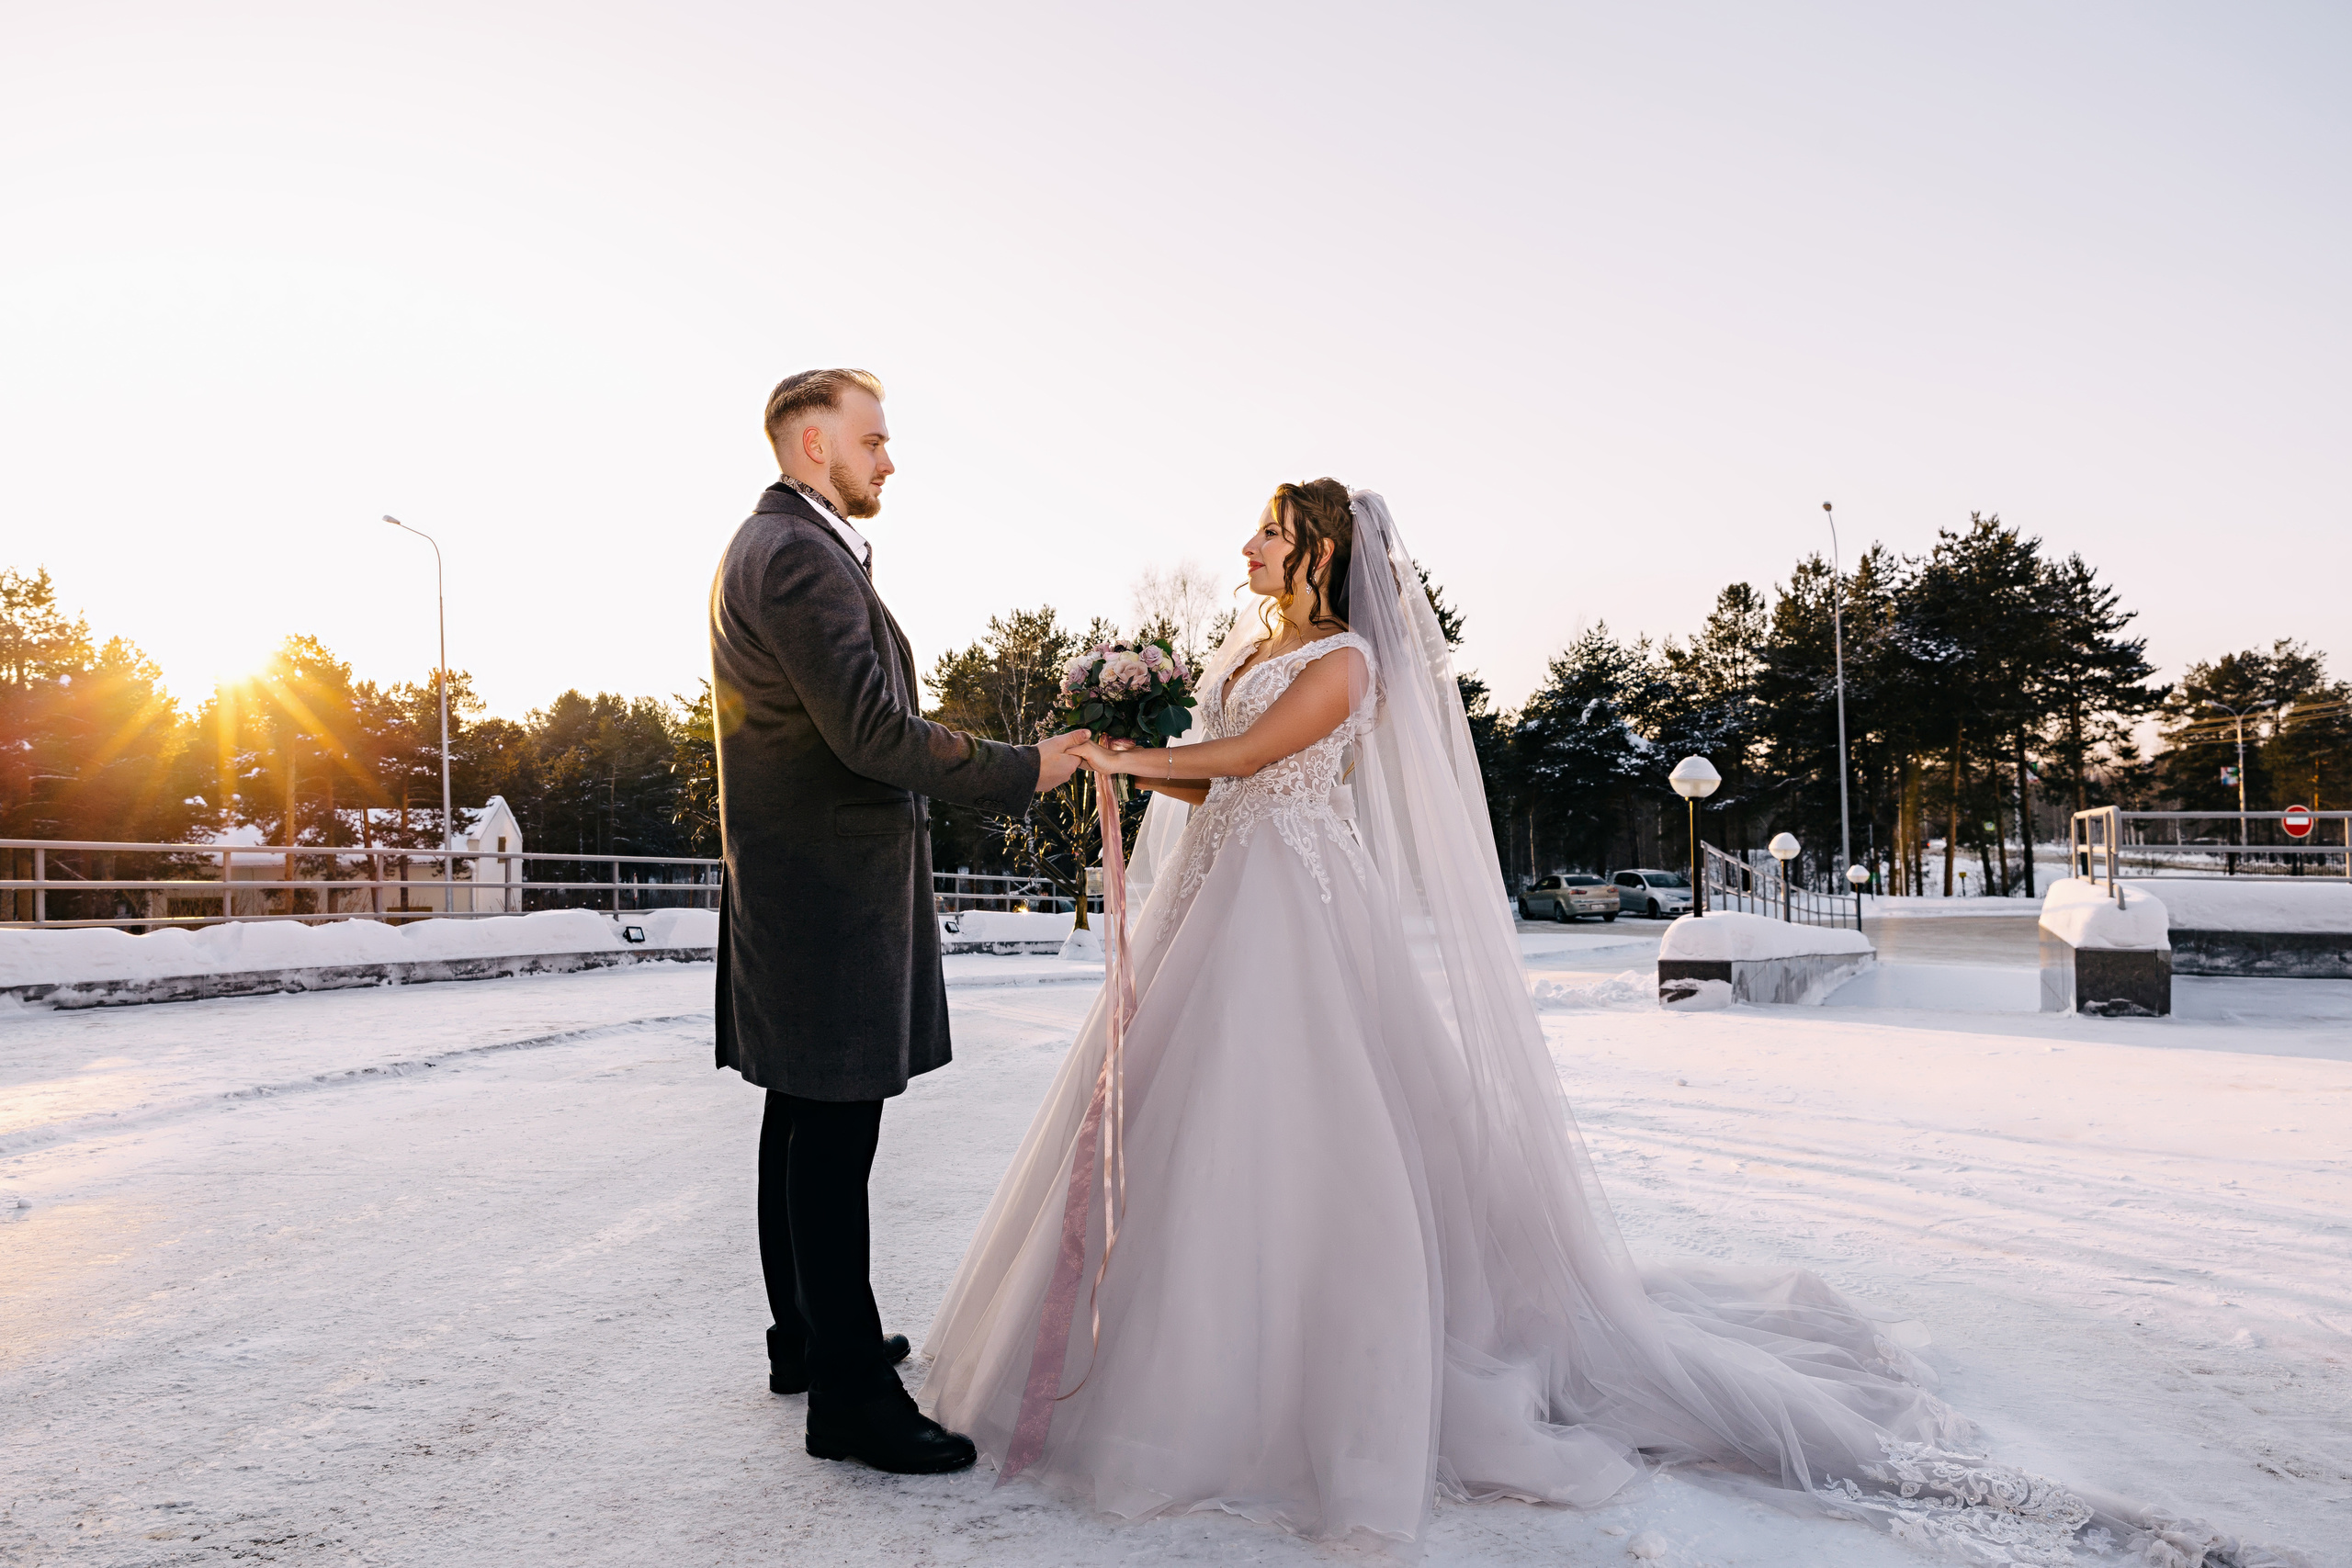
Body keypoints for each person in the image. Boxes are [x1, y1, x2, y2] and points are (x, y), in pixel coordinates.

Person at [919, 481, 2295, 1563]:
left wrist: (1129, 750)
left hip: (1299, 910)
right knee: (1187, 1124)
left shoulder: (1344, 661)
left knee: (1302, 1121)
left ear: (1320, 549)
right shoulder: (1246, 647)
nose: (1248, 546)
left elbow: (1248, 758)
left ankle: (1307, 1373)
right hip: (1221, 898)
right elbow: (1210, 783)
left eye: (1270, 530)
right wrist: (1126, 758)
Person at [708, 368, 1091, 1474]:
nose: (888, 458)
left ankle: (808, 1340)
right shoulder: (793, 554)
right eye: (872, 439)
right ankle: (850, 1401)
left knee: (800, 1114)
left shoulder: (786, 544)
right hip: (827, 891)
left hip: (803, 881)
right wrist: (1025, 767)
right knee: (834, 1134)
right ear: (814, 443)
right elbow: (872, 734)